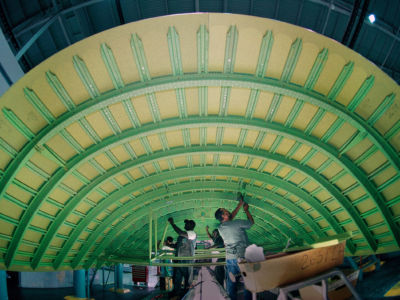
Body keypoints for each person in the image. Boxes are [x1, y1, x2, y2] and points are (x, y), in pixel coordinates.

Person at [215, 193, 254, 300]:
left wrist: (239, 204)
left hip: (230, 259)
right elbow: (251, 223)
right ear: (223, 215)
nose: (227, 210)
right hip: (242, 257)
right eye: (225, 211)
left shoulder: (220, 227)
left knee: (231, 283)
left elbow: (230, 217)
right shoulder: (237, 223)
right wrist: (246, 210)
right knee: (247, 282)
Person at [168, 217, 197, 298]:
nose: (185, 225)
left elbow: (180, 232)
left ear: (191, 226)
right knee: (177, 278)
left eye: (187, 224)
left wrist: (172, 224)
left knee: (188, 280)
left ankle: (187, 295)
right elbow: (177, 245)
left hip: (187, 261)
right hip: (178, 260)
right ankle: (176, 293)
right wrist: (169, 245)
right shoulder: (181, 236)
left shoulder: (192, 234)